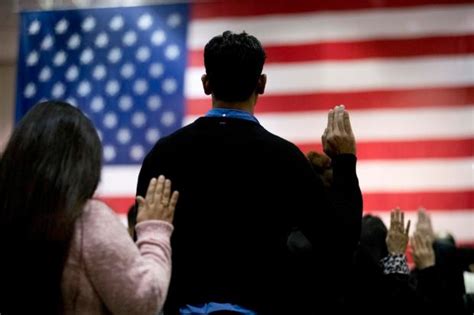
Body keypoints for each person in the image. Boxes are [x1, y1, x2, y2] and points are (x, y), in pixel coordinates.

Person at [137, 31, 362, 314]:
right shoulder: (286, 160)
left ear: (206, 84)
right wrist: (344, 160)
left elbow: (142, 237)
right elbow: (339, 242)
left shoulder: (164, 155)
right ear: (262, 83)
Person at [0, 101, 178, 315]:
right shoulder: (88, 219)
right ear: (84, 163)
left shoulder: (8, 213)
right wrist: (154, 230)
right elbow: (144, 302)